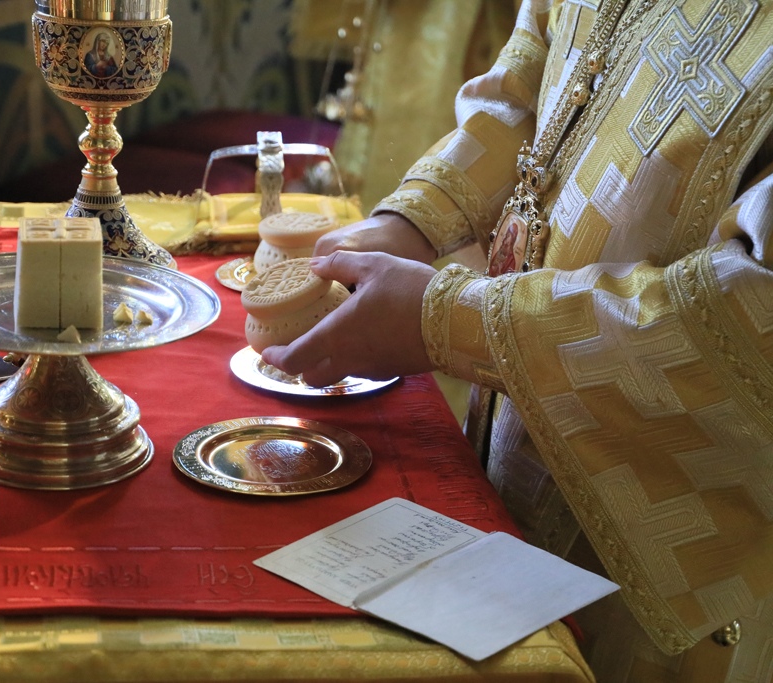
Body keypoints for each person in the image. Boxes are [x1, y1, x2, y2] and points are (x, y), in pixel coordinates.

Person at [263, 0, 773, 679]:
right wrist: (415, 218)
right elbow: (534, 71)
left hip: (666, 539)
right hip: (515, 436)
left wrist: (449, 320)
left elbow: (753, 312)